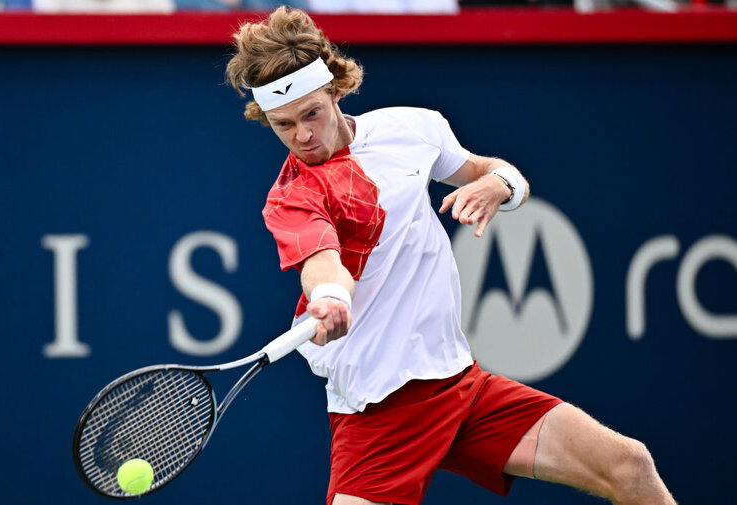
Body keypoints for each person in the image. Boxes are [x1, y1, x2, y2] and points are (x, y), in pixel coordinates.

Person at [225, 7, 676, 505]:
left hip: (460, 387)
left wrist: (497, 186)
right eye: (283, 124)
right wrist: (330, 297)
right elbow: (323, 265)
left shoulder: (412, 129)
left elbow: (498, 172)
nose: (302, 136)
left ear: (336, 92)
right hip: (380, 411)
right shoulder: (292, 197)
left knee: (629, 467)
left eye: (311, 113)